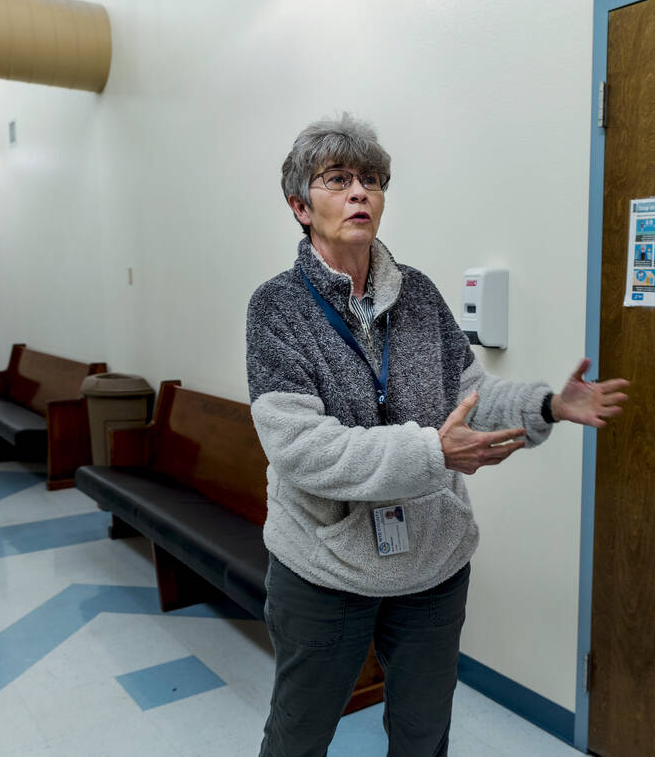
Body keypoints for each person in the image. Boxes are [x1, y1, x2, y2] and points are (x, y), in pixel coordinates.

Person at [246, 113, 630, 757]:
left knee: (424, 736)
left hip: (431, 561)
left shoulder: (418, 294)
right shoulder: (276, 308)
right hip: (323, 567)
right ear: (299, 206)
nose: (360, 192)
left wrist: (546, 404)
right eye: (337, 179)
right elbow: (302, 449)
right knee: (299, 736)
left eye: (372, 179)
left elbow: (468, 395)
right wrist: (431, 451)